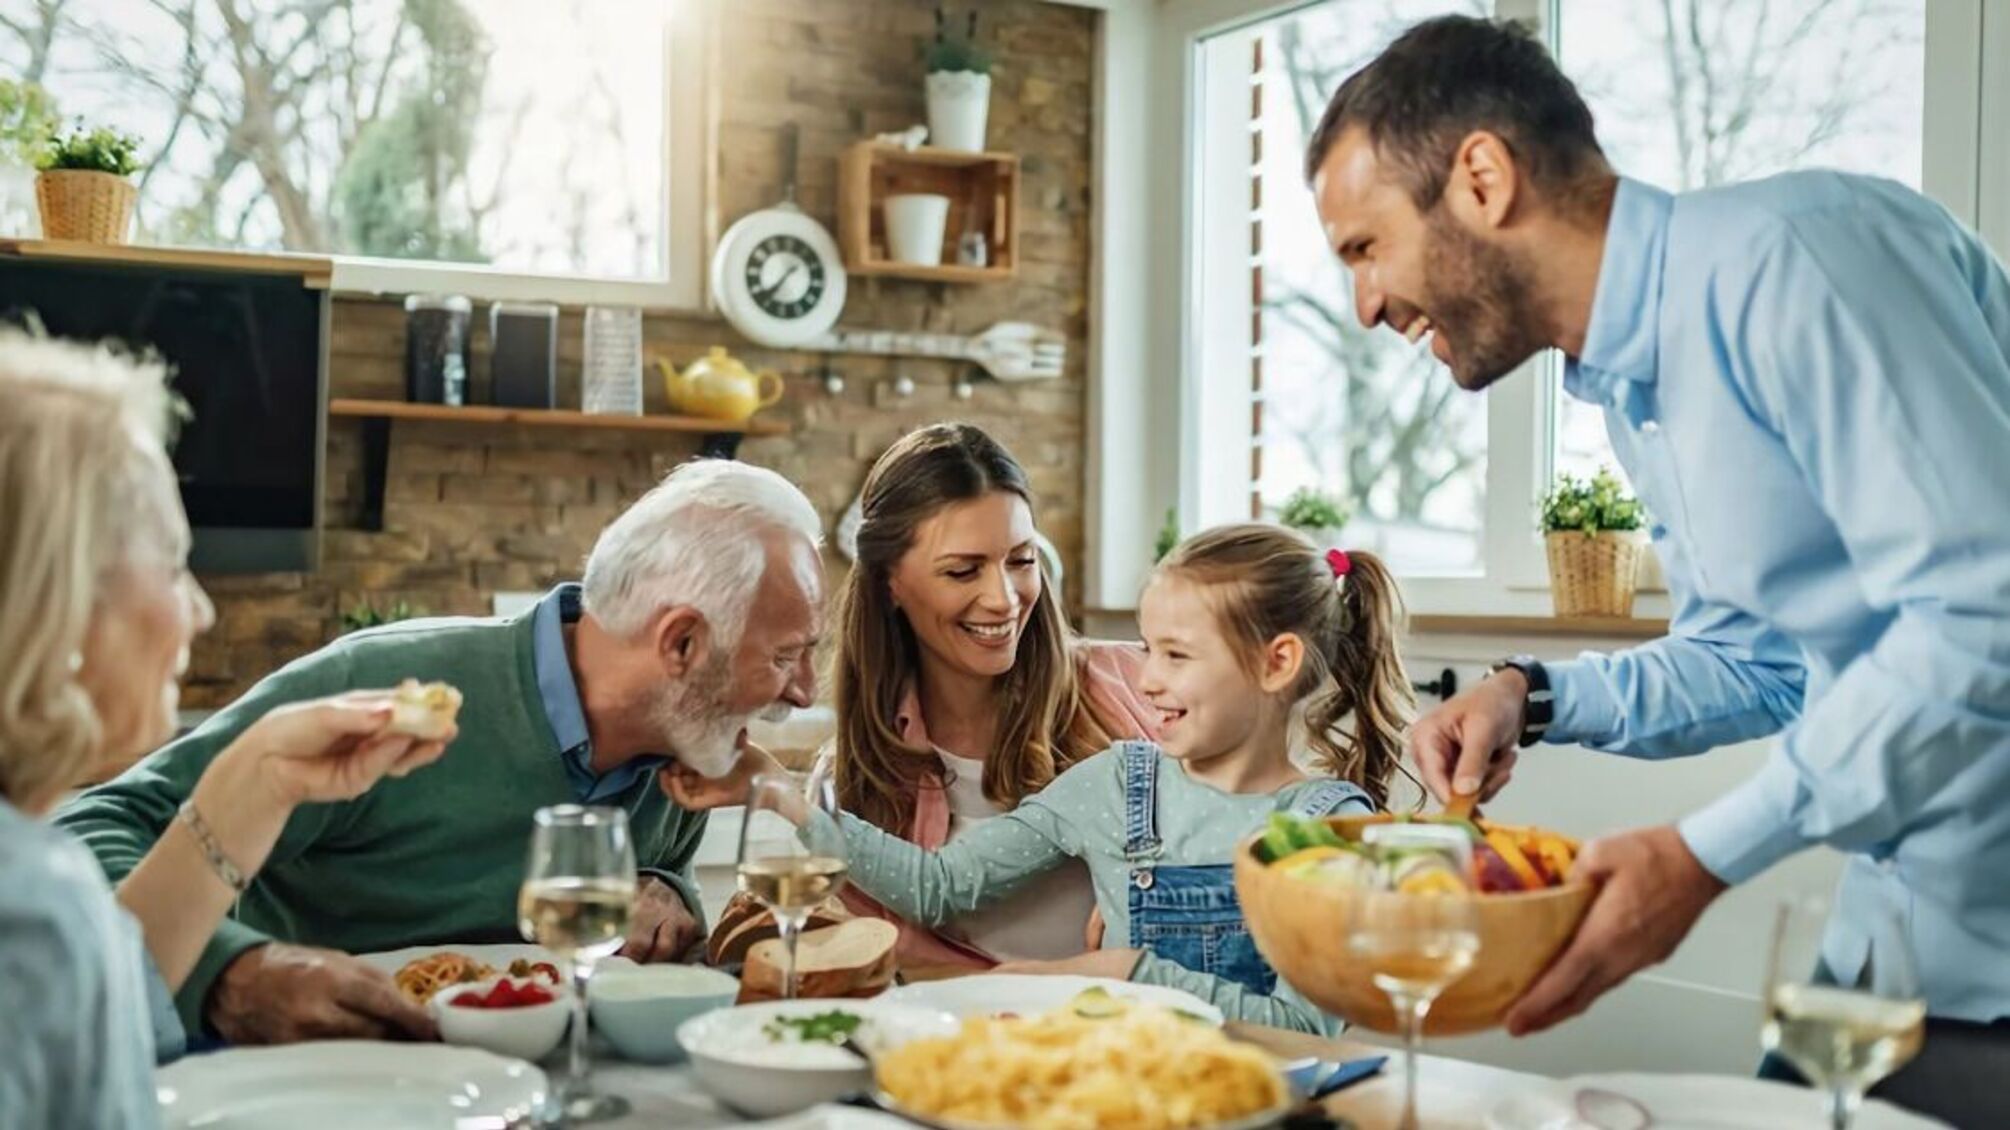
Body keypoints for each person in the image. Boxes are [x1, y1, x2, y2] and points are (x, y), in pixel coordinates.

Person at [1302, 15, 2010, 1121]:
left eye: (1365, 247)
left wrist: (1700, 856)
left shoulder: (1800, 257)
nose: (1367, 304)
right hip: (1903, 948)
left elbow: (1985, 611)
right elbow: (1763, 660)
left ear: (1481, 177)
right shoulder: (1637, 383)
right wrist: (1532, 696)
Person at [56, 456, 826, 1046]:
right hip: (276, 1077)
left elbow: (652, 913)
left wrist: (668, 896)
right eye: (789, 655)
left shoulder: (688, 747)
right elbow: (90, 832)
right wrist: (230, 971)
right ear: (682, 642)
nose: (803, 692)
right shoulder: (388, 685)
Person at [678, 525, 1414, 1033]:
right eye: (1149, 649)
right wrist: (784, 797)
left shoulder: (1325, 828)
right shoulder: (1117, 784)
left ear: (1276, 663)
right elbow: (940, 887)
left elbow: (1306, 1027)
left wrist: (1128, 971)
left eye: (1177, 657)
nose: (1148, 679)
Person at [0, 331, 451, 1127]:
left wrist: (262, 772)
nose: (200, 610)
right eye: (175, 563)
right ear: (58, 597)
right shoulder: (31, 909)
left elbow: (103, 1012)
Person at [811, 423, 1159, 969]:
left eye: (1021, 561)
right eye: (962, 570)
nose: (1003, 599)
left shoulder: (1139, 686)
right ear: (888, 584)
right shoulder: (851, 785)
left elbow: (1240, 827)